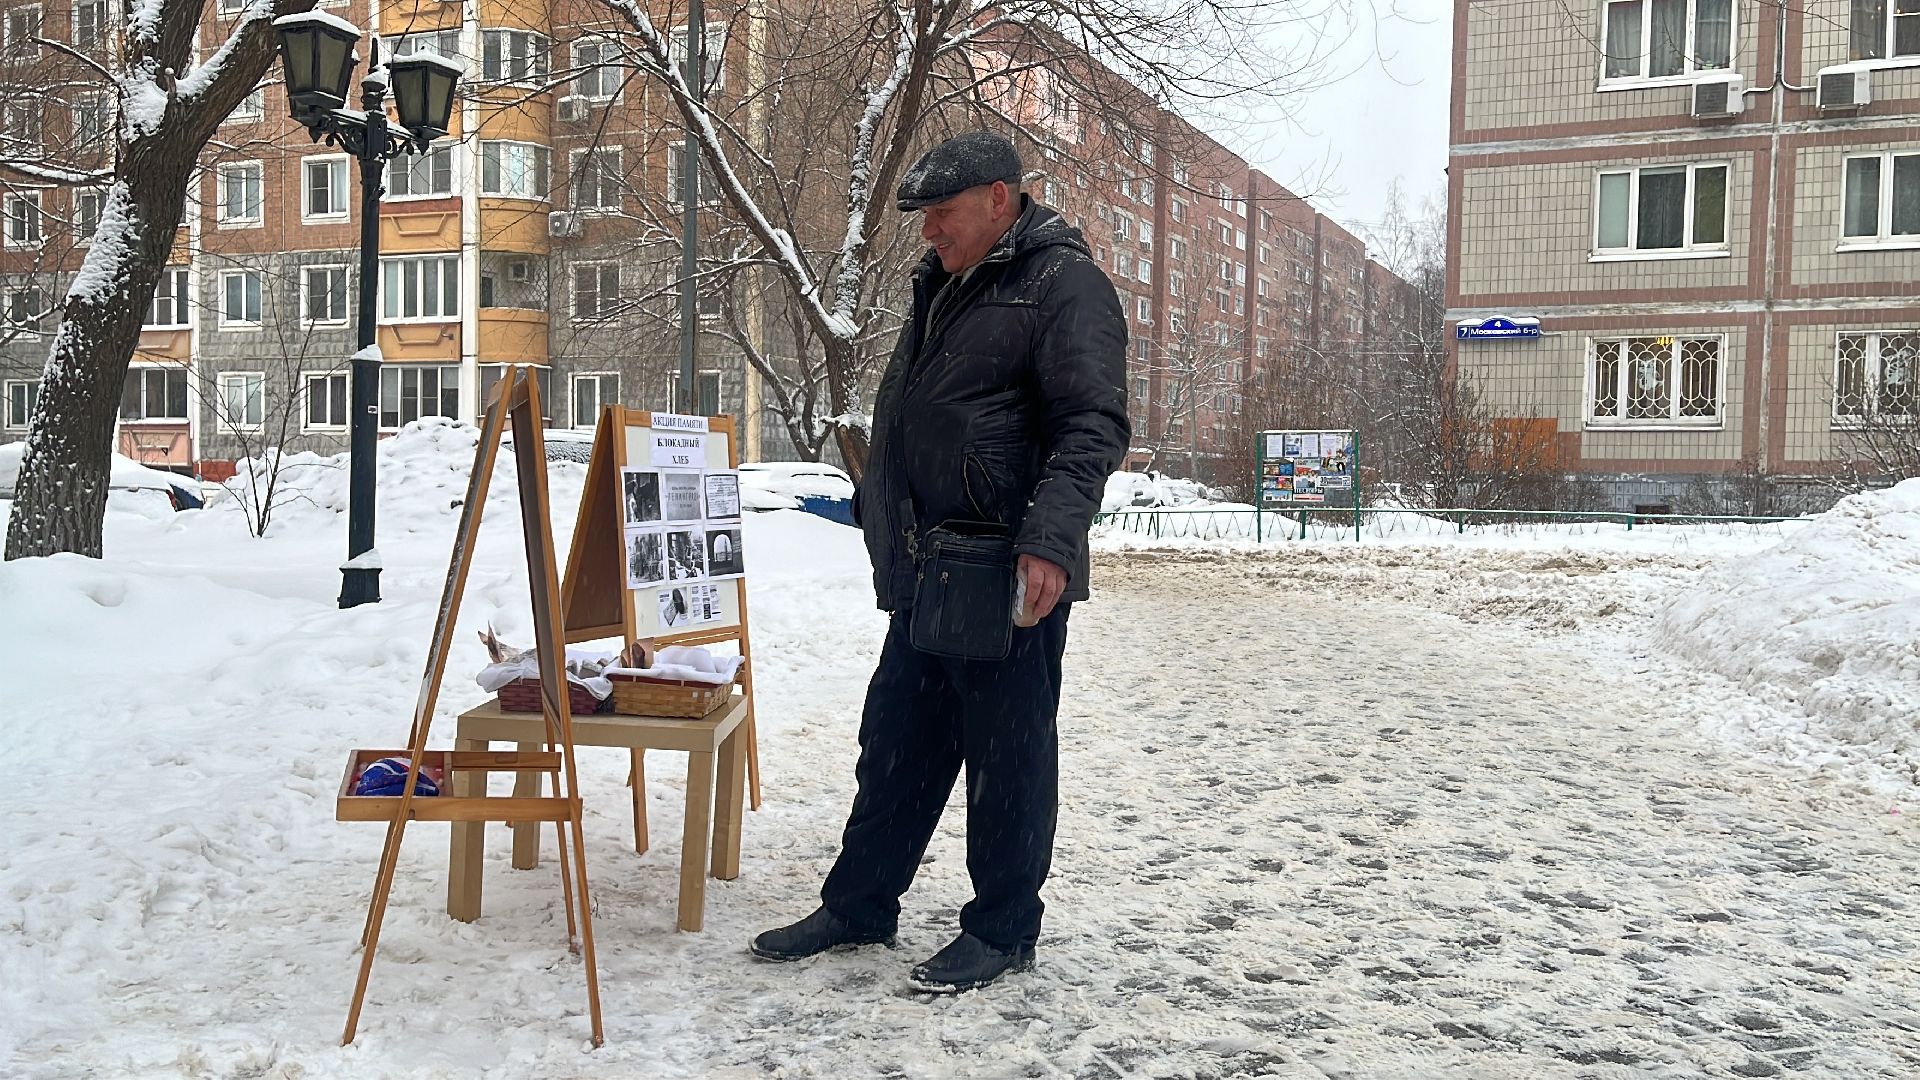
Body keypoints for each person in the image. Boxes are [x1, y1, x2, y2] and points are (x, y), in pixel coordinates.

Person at [750, 132, 1129, 993]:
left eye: (943, 213)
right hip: (929, 567)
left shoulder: (1065, 286)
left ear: (1002, 199)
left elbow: (1092, 426)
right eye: (922, 216)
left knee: (1008, 758)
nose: (929, 232)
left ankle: (1002, 929)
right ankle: (858, 905)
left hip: (1006, 571)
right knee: (895, 743)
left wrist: (1049, 539)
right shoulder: (946, 285)